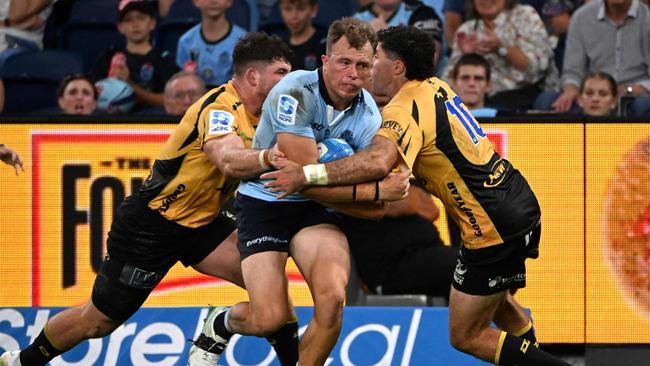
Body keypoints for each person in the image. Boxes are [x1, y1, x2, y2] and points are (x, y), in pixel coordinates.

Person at [262, 25, 572, 366]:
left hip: (492, 225)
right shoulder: (435, 87)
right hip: (519, 202)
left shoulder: (404, 109)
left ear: (397, 67)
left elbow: (377, 161)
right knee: (498, 303)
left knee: (466, 334)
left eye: (375, 59)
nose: (369, 67)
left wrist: (308, 174)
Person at [0, 32, 300, 366]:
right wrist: (267, 158)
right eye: (282, 73)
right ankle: (22, 361)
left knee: (272, 293)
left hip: (203, 224)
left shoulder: (271, 116)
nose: (290, 82)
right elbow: (227, 158)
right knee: (97, 321)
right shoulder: (218, 108)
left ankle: (231, 331)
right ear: (253, 76)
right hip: (152, 226)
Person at [188, 17, 410, 366]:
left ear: (372, 68)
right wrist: (368, 188)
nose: (353, 73)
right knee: (270, 319)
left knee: (333, 302)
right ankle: (222, 321)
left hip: (316, 212)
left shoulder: (370, 116)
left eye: (363, 65)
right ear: (324, 62)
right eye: (344, 62)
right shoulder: (294, 91)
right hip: (266, 202)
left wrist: (364, 191)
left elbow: (319, 185)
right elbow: (302, 177)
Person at [340, 183, 456, 301]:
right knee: (464, 269)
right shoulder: (351, 190)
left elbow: (432, 210)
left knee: (467, 265)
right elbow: (403, 205)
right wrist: (401, 197)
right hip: (393, 268)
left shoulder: (386, 181)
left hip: (427, 254)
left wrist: (399, 196)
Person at [442, 0, 559, 111]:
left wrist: (501, 48)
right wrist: (466, 56)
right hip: (479, 102)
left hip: (524, 95)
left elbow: (537, 69)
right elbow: (447, 82)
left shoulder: (526, 16)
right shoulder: (467, 30)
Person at [547, 0, 650, 116]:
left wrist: (628, 89)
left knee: (644, 104)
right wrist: (572, 88)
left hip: (632, 90)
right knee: (547, 101)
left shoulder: (647, 18)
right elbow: (573, 71)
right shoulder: (581, 17)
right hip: (591, 90)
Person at [91, 0, 178, 111]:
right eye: (128, 20)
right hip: (110, 123)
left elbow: (167, 100)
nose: (135, 24)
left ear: (152, 23)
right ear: (120, 27)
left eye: (141, 18)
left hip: (152, 122)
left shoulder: (164, 59)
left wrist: (128, 83)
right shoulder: (108, 57)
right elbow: (92, 91)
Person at [176, 0, 247, 88]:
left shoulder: (244, 41)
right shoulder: (186, 41)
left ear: (229, 1)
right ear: (195, 1)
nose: (213, 1)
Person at [274, 0, 327, 71]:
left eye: (301, 9)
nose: (294, 16)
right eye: (287, 9)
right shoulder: (277, 44)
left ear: (313, 10)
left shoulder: (325, 44)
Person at [450, 53, 498, 117]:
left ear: (488, 85)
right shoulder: (440, 121)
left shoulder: (504, 122)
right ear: (454, 83)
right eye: (465, 78)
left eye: (478, 78)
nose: (471, 83)